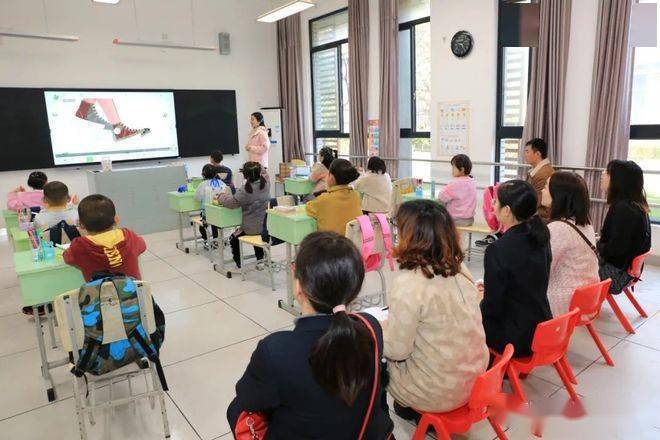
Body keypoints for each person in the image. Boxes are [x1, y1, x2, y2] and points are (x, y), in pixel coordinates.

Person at [227, 231, 394, 439]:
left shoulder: (275, 350)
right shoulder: (370, 328)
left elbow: (250, 400)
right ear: (355, 288)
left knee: (236, 409)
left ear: (298, 284)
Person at [384, 199, 488, 420]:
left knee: (372, 357)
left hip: (438, 392)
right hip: (477, 383)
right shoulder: (460, 269)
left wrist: (376, 331)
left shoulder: (409, 283)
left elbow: (397, 351)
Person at [479, 180, 552, 357]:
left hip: (516, 336)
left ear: (506, 210)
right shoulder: (540, 236)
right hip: (542, 326)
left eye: (495, 201)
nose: (492, 204)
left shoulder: (498, 249)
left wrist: (478, 300)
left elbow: (492, 308)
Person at [541, 172, 599, 317]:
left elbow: (542, 269)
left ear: (558, 195)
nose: (542, 190)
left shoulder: (559, 228)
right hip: (587, 298)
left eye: (546, 187)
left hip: (564, 301)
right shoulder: (585, 224)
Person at [64, 195, 146, 281]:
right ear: (116, 219)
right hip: (134, 292)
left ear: (81, 225)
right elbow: (142, 246)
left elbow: (67, 257)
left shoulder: (79, 246)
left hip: (99, 293)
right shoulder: (129, 236)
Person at [597, 160, 651, 290]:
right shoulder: (636, 205)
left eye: (607, 172)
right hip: (625, 271)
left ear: (618, 180)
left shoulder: (623, 209)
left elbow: (615, 250)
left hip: (616, 275)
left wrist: (597, 245)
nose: (602, 174)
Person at [217, 162, 270, 268]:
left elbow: (231, 203)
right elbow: (265, 172)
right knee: (258, 238)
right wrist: (256, 166)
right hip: (265, 227)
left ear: (245, 175)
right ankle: (260, 260)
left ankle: (239, 264)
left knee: (233, 239)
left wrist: (221, 197)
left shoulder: (245, 189)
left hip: (250, 228)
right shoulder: (266, 183)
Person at [306, 159, 362, 236]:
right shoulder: (356, 195)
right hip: (352, 243)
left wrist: (327, 188)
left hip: (331, 244)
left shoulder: (324, 199)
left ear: (331, 178)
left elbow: (308, 208)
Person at [437, 154, 477, 226]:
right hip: (469, 219)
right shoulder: (471, 181)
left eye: (454, 167)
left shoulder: (456, 183)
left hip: (456, 220)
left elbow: (441, 196)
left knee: (437, 207)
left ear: (461, 169)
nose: (452, 170)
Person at [194, 164, 228, 245]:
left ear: (203, 174)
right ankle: (218, 239)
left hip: (207, 213)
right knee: (216, 223)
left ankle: (206, 240)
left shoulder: (202, 184)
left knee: (203, 225)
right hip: (221, 212)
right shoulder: (221, 183)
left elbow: (197, 198)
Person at [524, 138, 554, 221]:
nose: (525, 155)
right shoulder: (539, 170)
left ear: (537, 154)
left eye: (527, 152)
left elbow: (537, 202)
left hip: (542, 217)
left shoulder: (542, 173)